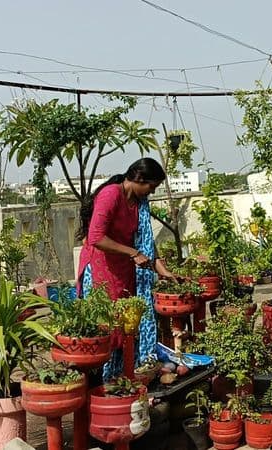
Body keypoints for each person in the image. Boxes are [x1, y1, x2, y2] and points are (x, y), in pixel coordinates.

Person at [75, 157, 177, 380]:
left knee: (125, 325)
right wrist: (133, 253)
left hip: (124, 269)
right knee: (107, 324)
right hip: (102, 267)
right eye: (151, 186)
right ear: (139, 179)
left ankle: (120, 377)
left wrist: (162, 270)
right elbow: (95, 237)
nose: (151, 192)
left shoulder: (139, 204)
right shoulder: (111, 195)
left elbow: (146, 244)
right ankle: (100, 380)